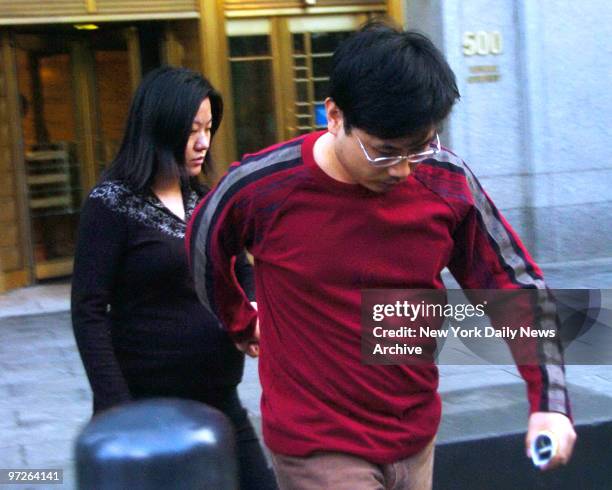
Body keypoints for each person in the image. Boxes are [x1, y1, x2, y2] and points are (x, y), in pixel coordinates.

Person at [187, 22, 576, 490]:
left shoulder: (445, 179)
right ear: (334, 115)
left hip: (415, 435)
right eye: (384, 152)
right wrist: (238, 318)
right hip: (319, 447)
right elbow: (203, 242)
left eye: (419, 147)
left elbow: (513, 286)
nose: (404, 169)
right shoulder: (264, 186)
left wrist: (550, 403)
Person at [71, 66, 277, 490]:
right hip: (146, 406)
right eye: (192, 130)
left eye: (208, 128)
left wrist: (252, 306)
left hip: (219, 399)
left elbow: (240, 266)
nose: (204, 142)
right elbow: (88, 310)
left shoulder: (205, 198)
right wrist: (116, 407)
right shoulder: (111, 204)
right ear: (159, 128)